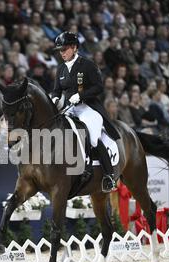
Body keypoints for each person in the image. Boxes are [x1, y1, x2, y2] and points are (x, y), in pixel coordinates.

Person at [50, 31, 119, 192]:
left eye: (65, 49)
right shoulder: (60, 69)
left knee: (93, 138)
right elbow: (56, 90)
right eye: (60, 50)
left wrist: (80, 95)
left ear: (74, 47)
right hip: (69, 109)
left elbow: (98, 87)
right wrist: (54, 99)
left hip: (88, 108)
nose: (62, 53)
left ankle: (109, 176)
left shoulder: (87, 65)